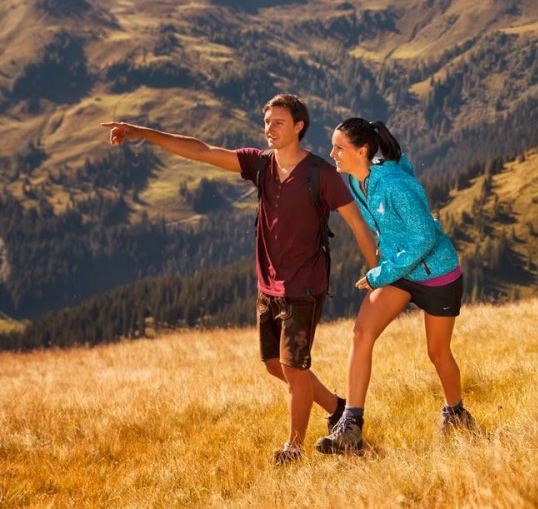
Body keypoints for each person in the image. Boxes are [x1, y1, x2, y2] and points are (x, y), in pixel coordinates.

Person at [101, 94, 379, 465]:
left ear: (299, 126)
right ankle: (335, 406)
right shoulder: (260, 164)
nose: (270, 129)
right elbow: (200, 151)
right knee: (273, 363)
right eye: (267, 122)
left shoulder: (320, 173)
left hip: (305, 286)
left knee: (295, 368)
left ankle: (293, 449)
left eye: (278, 122)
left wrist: (378, 271)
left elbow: (357, 224)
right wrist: (142, 133)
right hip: (268, 284)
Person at [316, 117, 476, 455]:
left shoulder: (395, 185)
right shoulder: (359, 181)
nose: (332, 154)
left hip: (436, 274)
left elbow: (425, 237)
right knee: (361, 334)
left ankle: (456, 413)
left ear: (362, 151)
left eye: (339, 148)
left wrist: (379, 274)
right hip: (400, 271)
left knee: (437, 352)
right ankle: (350, 426)